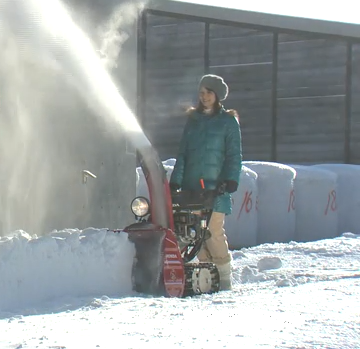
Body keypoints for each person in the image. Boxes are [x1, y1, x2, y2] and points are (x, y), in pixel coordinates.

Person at [169, 74, 242, 291]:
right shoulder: (193, 121)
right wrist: (176, 181)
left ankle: (225, 277)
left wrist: (230, 180)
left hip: (216, 189)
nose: (204, 97)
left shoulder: (228, 122)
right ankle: (207, 276)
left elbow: (234, 155)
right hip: (193, 188)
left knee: (212, 231)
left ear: (218, 95)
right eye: (201, 93)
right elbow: (182, 153)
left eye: (209, 92)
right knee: (195, 234)